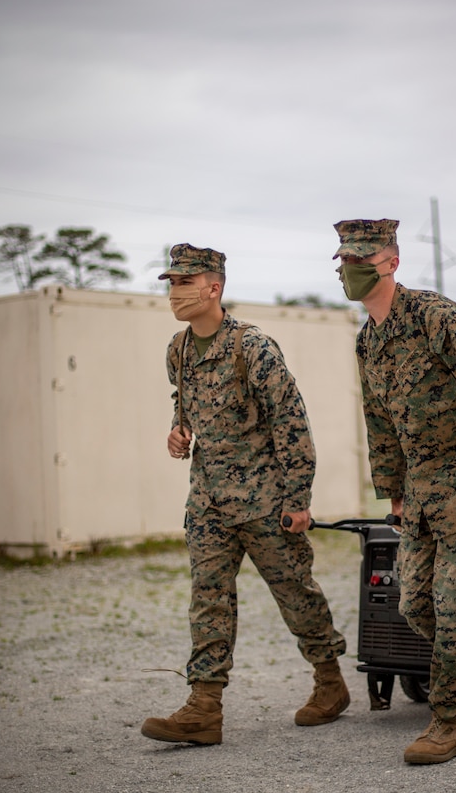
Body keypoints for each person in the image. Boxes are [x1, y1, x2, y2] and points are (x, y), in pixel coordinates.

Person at [332, 218, 456, 765]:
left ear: (391, 262)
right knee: (413, 600)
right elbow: (378, 419)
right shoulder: (367, 342)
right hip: (422, 487)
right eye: (344, 260)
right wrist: (393, 489)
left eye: (362, 259)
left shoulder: (433, 315)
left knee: (450, 604)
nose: (350, 269)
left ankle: (448, 723)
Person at [141, 243, 349, 745]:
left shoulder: (253, 348)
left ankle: (330, 682)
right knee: (208, 601)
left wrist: (298, 500)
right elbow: (185, 402)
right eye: (170, 282)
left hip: (265, 501)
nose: (175, 292)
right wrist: (178, 430)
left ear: (213, 287)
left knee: (295, 594)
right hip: (209, 502)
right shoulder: (179, 349)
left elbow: (291, 422)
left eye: (184, 282)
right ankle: (203, 707)